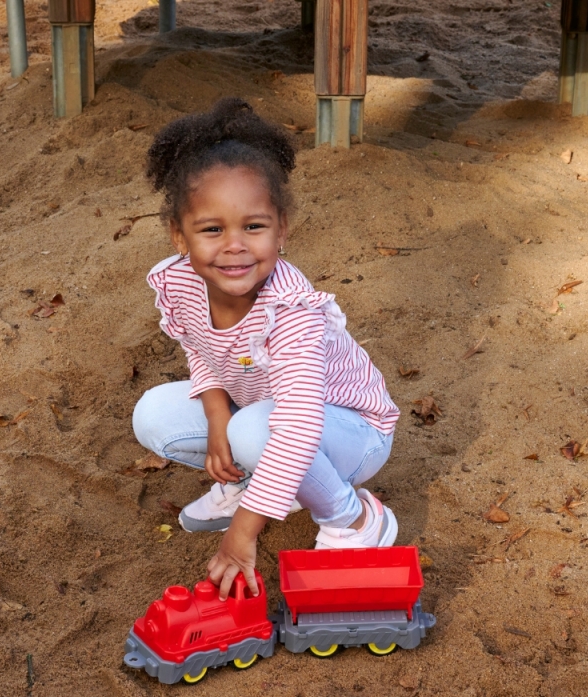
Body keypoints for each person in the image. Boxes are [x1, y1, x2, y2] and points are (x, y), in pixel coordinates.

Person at [132, 98, 400, 600]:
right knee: (155, 415)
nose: (234, 246)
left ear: (282, 229)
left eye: (253, 227)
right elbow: (200, 350)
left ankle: (353, 516)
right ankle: (252, 482)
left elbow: (297, 427)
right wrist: (215, 420)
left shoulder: (291, 309)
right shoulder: (184, 282)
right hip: (263, 413)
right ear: (179, 236)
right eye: (212, 230)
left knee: (257, 429)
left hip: (350, 434)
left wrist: (243, 535)